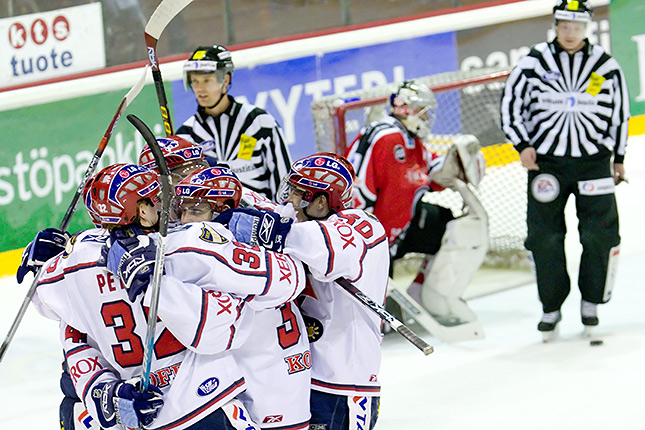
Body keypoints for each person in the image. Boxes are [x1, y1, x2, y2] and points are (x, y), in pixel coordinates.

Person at [30, 163, 260, 430]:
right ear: (141, 211)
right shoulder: (179, 246)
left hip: (145, 413)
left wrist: (43, 259)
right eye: (157, 199)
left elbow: (43, 298)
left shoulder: (76, 264)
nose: (166, 205)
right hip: (208, 404)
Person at [107, 165, 311, 430]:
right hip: (262, 384)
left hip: (269, 386)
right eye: (182, 211)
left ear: (224, 211)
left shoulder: (210, 251)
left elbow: (291, 279)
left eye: (195, 210)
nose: (186, 221)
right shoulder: (242, 245)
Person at [220, 152, 389, 430]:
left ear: (321, 202)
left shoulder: (361, 226)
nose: (290, 201)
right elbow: (265, 206)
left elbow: (317, 243)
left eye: (298, 194)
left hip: (342, 385)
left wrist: (266, 230)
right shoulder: (302, 220)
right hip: (302, 379)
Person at [500, 0, 630, 341]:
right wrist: (522, 145)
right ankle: (551, 307)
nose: (569, 32)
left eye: (576, 26)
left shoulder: (606, 65)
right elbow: (511, 106)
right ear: (555, 25)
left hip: (594, 164)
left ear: (585, 28)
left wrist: (618, 158)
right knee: (544, 238)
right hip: (548, 165)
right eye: (563, 25)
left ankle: (592, 301)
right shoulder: (533, 62)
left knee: (599, 236)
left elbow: (620, 114)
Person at [344, 80, 488, 330]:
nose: (427, 117)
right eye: (423, 110)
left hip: (398, 231)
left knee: (446, 224)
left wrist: (455, 163)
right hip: (370, 241)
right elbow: (357, 192)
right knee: (378, 328)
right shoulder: (386, 138)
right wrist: (364, 245)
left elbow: (429, 171)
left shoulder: (409, 139)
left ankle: (423, 292)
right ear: (406, 109)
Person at [176, 44, 293, 201]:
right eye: (195, 81)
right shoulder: (186, 137)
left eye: (207, 80)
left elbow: (285, 182)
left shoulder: (259, 123)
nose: (200, 88)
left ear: (226, 80)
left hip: (264, 217)